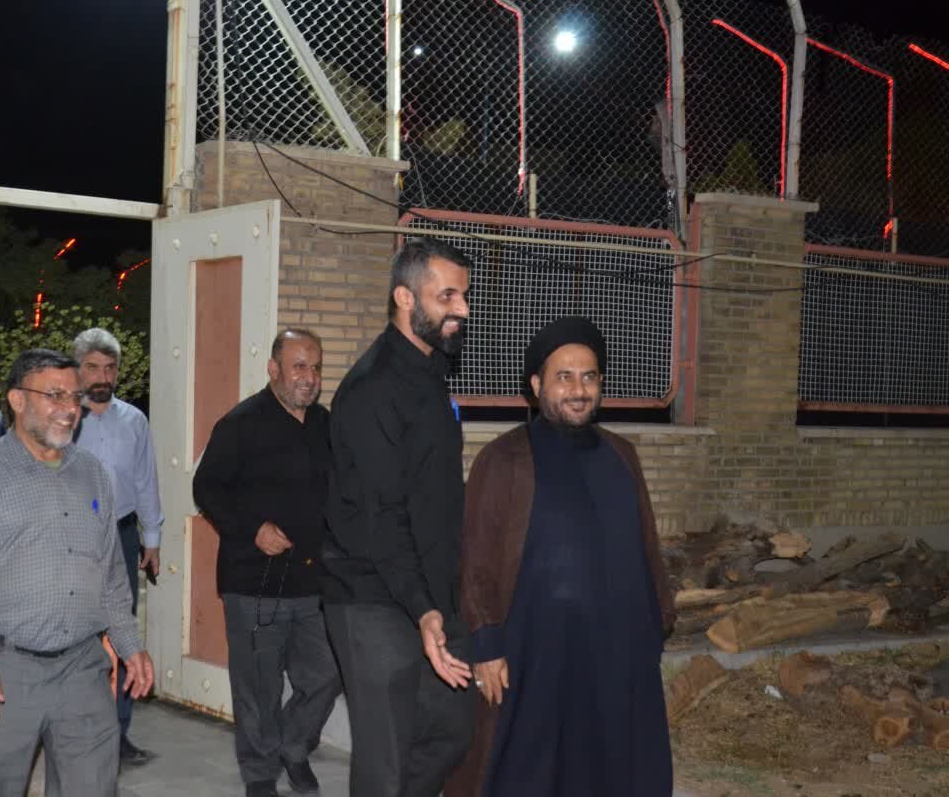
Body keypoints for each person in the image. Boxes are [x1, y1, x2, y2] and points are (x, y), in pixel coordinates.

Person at [446, 316, 676, 797]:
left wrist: (657, 622)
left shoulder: (622, 455)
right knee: (527, 771)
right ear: (536, 385)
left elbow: (646, 546)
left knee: (613, 768)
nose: (578, 390)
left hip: (617, 653)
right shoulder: (504, 459)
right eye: (564, 377)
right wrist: (486, 644)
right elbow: (475, 558)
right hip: (535, 655)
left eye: (589, 377)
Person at [0, 348, 154, 797]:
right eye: (55, 396)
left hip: (82, 669)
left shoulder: (93, 474)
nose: (70, 409)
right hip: (3, 670)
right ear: (17, 400)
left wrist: (130, 644)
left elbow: (110, 572)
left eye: (75, 397)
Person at [320, 237, 477, 797]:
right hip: (371, 596)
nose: (463, 309)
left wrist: (442, 599)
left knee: (452, 729)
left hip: (427, 592)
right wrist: (423, 609)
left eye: (464, 295)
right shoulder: (372, 389)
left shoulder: (433, 374)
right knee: (384, 763)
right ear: (405, 298)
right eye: (448, 296)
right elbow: (381, 517)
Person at [193, 329, 342, 797]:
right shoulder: (240, 424)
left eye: (315, 367)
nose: (309, 377)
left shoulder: (325, 424)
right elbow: (206, 488)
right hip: (254, 584)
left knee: (327, 674)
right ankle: (260, 773)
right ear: (273, 368)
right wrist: (253, 528)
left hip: (314, 582)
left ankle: (293, 746)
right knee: (258, 687)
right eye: (299, 366)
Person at [71, 327, 164, 767]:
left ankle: (118, 733)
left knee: (121, 629)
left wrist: (152, 539)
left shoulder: (134, 421)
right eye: (92, 367)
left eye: (109, 368)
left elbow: (146, 481)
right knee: (76, 631)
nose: (102, 376)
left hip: (123, 536)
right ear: (78, 369)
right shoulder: (63, 420)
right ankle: (74, 731)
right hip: (73, 538)